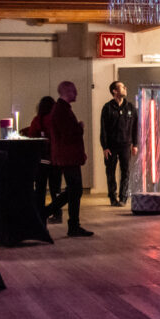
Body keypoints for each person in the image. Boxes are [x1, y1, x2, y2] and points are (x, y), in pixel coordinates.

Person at [42, 80, 94, 237]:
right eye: (74, 91)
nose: (76, 93)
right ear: (67, 92)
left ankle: (52, 215)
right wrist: (80, 127)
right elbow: (68, 134)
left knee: (73, 190)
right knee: (75, 190)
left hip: (67, 156)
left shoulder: (61, 109)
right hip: (69, 156)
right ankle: (69, 223)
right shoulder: (62, 110)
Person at [19, 95, 62, 217]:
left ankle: (40, 214)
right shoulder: (57, 120)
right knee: (55, 189)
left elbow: (32, 136)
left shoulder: (38, 120)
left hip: (41, 160)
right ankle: (57, 213)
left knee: (40, 189)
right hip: (56, 160)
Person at [99, 80, 139, 207]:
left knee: (125, 171)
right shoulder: (107, 108)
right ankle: (113, 198)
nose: (125, 88)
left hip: (125, 145)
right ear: (114, 91)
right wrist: (105, 147)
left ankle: (123, 197)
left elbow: (135, 127)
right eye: (122, 87)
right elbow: (103, 129)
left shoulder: (130, 107)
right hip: (111, 146)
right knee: (110, 172)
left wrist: (135, 144)